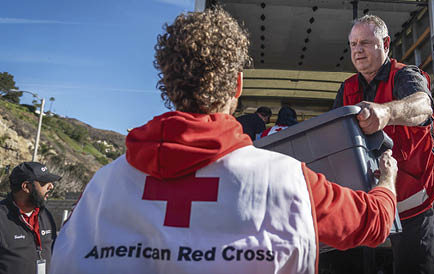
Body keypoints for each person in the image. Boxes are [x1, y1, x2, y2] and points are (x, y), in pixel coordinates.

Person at [50, 7, 398, 274]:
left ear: (168, 87)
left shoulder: (102, 187)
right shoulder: (287, 180)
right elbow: (374, 222)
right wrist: (386, 180)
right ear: (237, 85)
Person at [332, 14, 434, 274]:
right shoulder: (347, 89)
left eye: (365, 42)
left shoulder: (405, 76)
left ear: (385, 44)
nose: (358, 50)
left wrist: (386, 113)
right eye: (353, 44)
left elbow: (422, 106)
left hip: (419, 198)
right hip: (372, 199)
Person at [0, 162, 61, 274]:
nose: (51, 186)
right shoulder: (2, 218)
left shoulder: (45, 215)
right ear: (26, 187)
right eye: (44, 182)